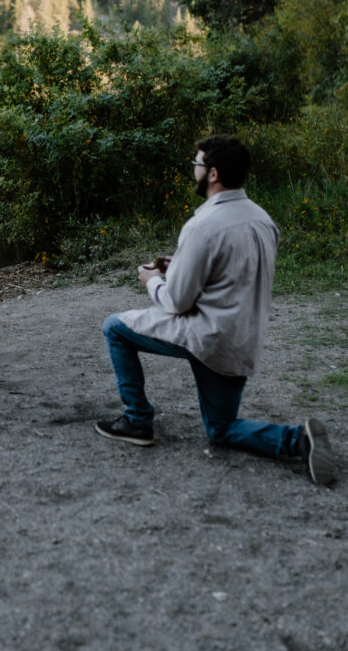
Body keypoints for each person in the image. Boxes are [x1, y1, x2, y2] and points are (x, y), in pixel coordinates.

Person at [95, 134, 338, 486]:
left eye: (196, 164)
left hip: (206, 336)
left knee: (114, 327)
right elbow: (231, 274)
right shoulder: (263, 220)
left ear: (212, 174)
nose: (193, 169)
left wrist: (151, 279)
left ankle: (137, 421)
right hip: (243, 339)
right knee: (221, 428)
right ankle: (298, 440)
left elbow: (177, 302)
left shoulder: (202, 226)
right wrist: (177, 266)